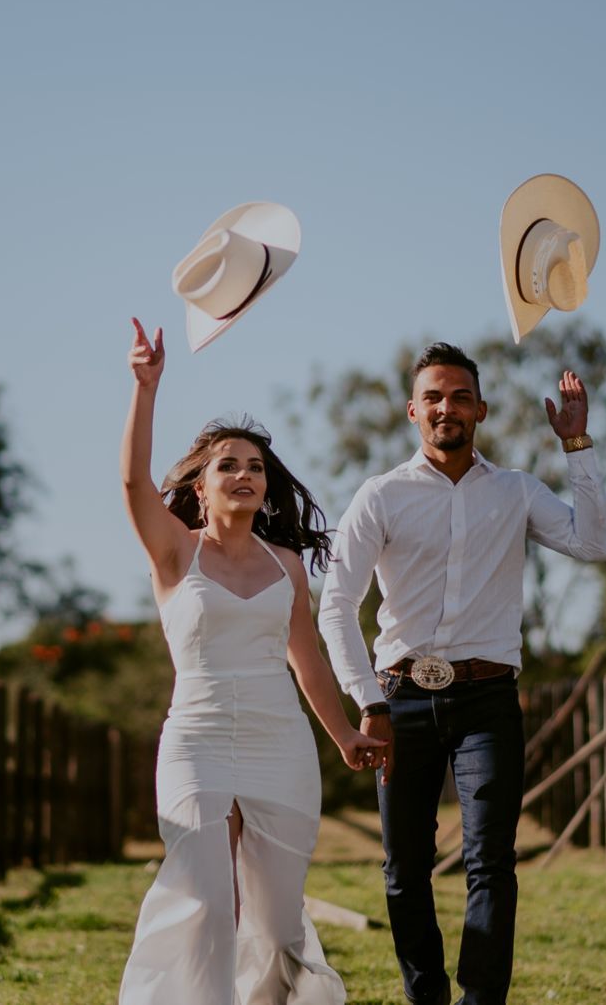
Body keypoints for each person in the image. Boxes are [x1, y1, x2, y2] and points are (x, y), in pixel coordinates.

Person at [317, 341, 606, 1005]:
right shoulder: (380, 496)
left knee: (491, 863)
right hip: (400, 700)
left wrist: (578, 446)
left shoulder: (515, 491)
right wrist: (368, 700)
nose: (446, 407)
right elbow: (335, 605)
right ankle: (426, 998)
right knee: (404, 869)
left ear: (479, 409)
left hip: (488, 702)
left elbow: (594, 545)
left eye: (459, 396)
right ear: (412, 411)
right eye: (433, 397)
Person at [118, 317, 383, 1005]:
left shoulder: (287, 565)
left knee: (273, 921)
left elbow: (309, 661)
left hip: (280, 744)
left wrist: (345, 732)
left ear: (267, 487)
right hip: (197, 742)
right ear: (200, 488)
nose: (243, 474)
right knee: (206, 901)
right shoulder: (177, 554)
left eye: (255, 466)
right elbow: (130, 485)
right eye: (227, 465)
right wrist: (146, 388)